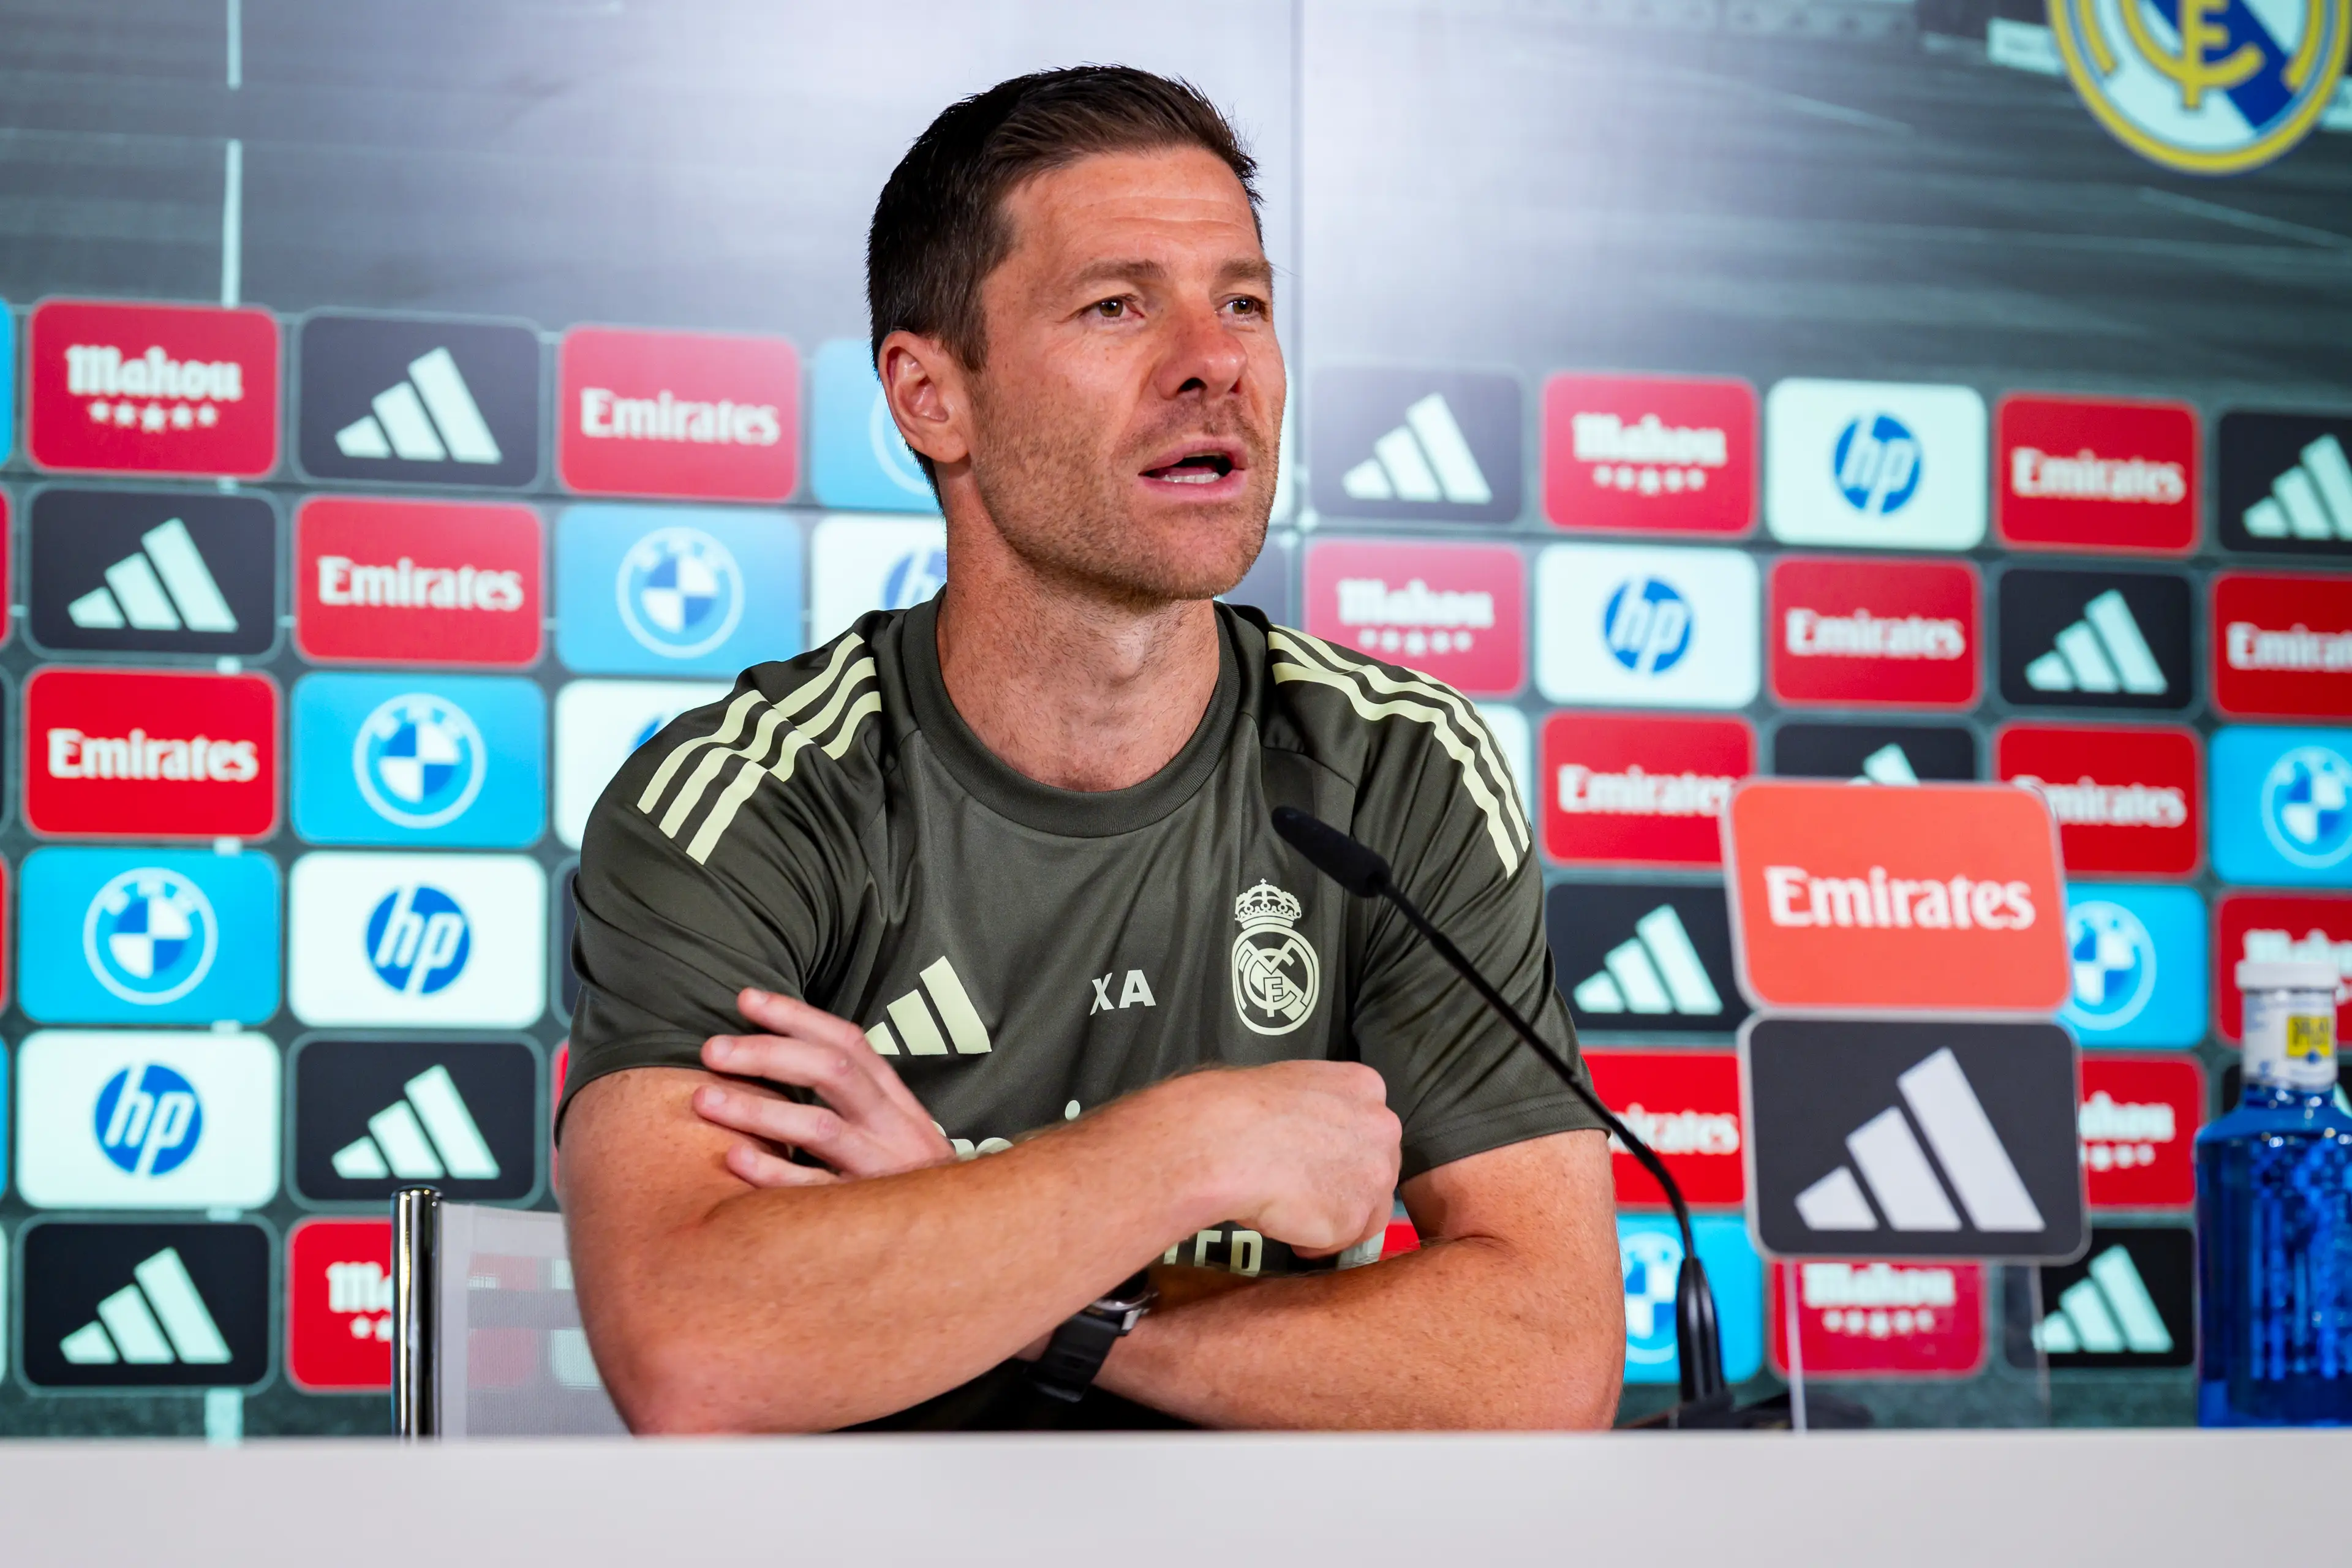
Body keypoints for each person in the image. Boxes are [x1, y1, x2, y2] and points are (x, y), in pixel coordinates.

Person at [557, 64, 1623, 1433]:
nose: (1214, 359)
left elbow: (1543, 1360)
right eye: (1119, 305)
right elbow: (697, 1348)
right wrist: (1194, 1147)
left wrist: (1040, 1283)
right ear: (930, 394)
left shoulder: (1395, 766)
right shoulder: (751, 800)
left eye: (1243, 299)